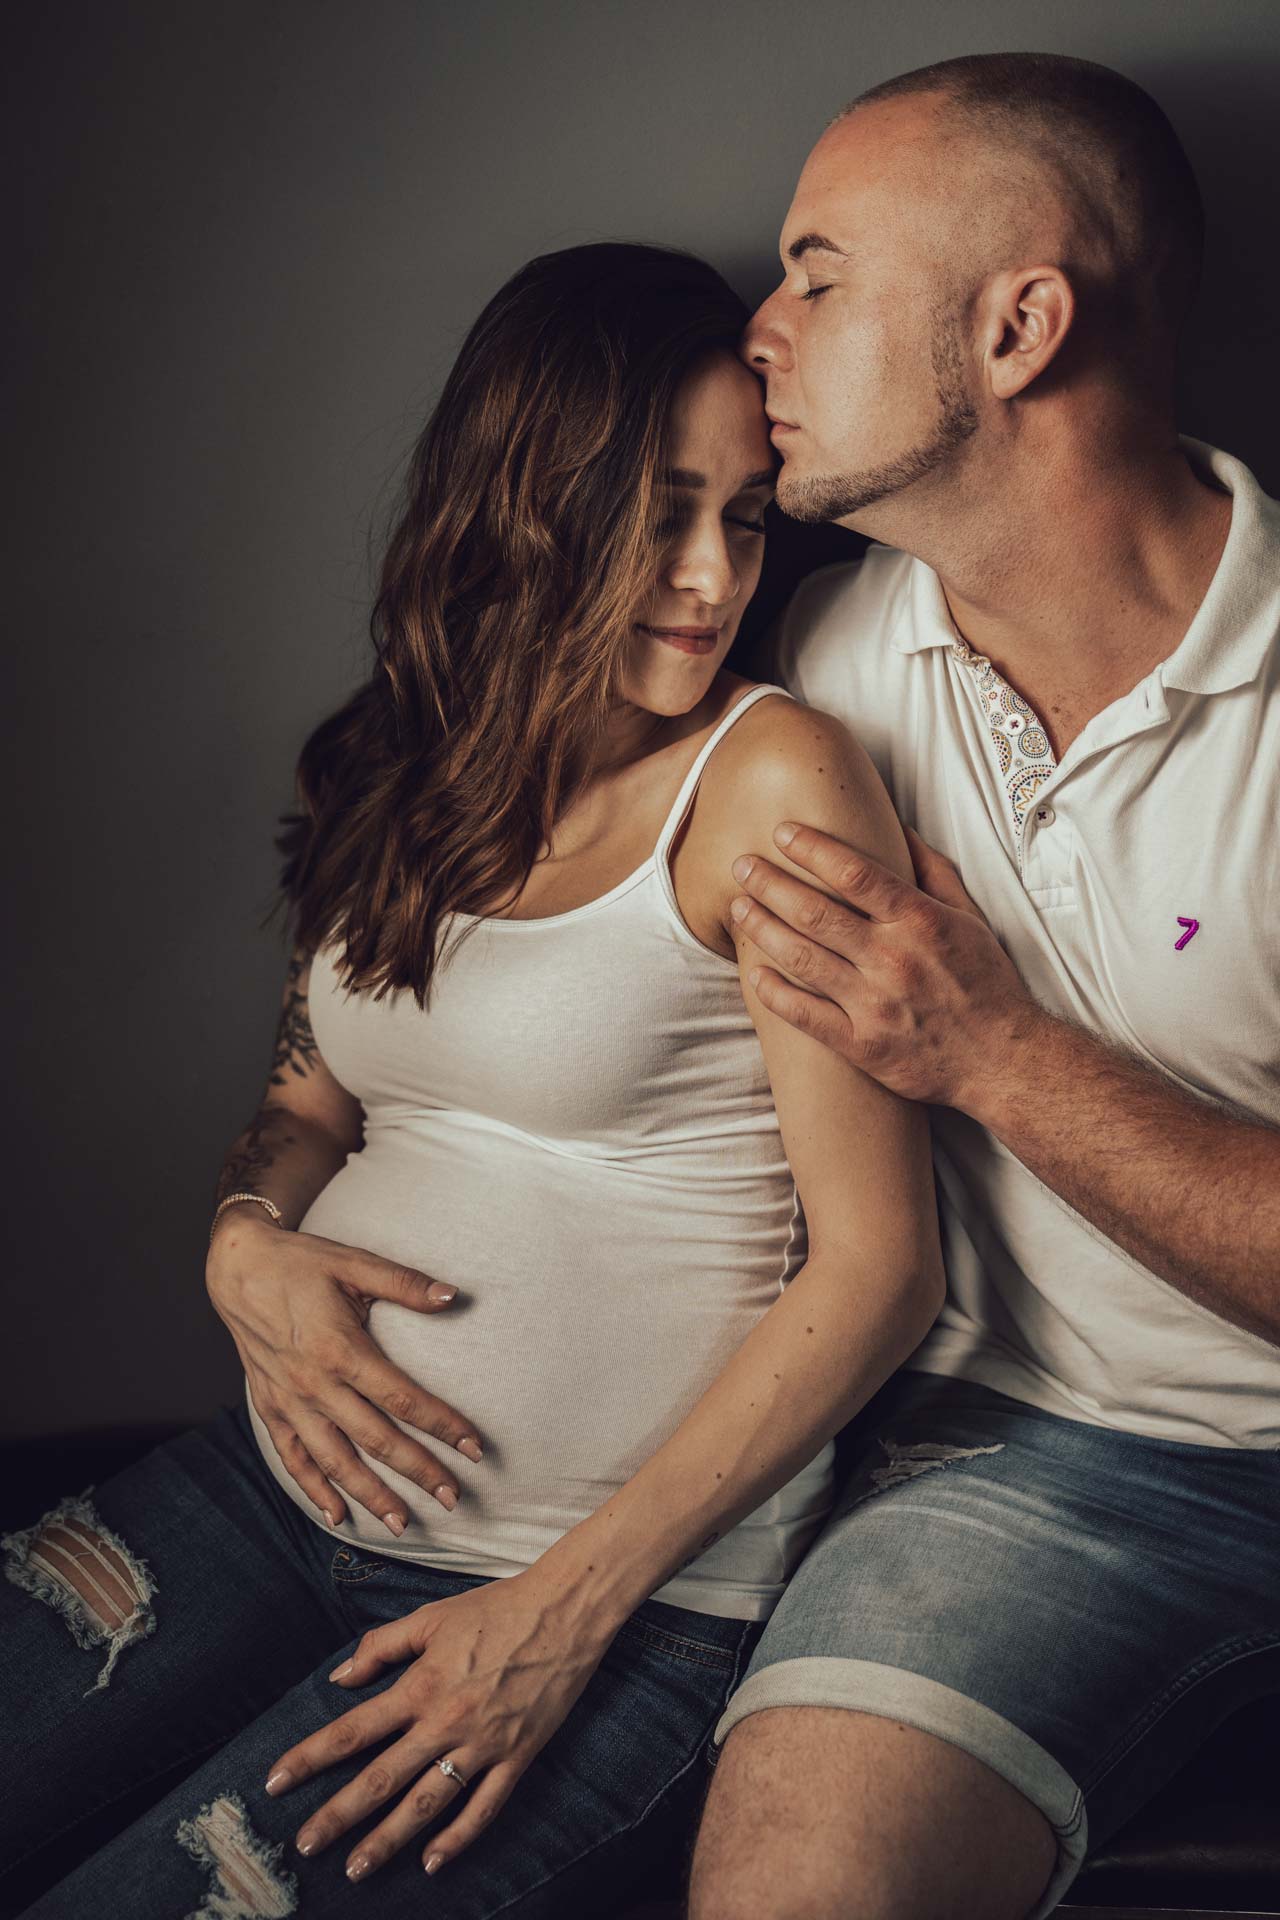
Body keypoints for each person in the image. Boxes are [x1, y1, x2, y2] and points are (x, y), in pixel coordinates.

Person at [0, 242, 945, 1918]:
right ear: (527, 500)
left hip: (589, 1605)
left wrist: (561, 1617)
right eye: (661, 510)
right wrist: (240, 1246)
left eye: (745, 515)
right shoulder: (394, 759)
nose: (715, 575)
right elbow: (307, 1106)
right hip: (262, 1495)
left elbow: (882, 1271)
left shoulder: (768, 777)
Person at [681, 51, 1280, 1920]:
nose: (761, 328)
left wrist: (996, 1055)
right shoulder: (814, 664)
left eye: (820, 271)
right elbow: (424, 835)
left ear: (1021, 327)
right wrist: (264, 1204)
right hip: (1038, 1466)